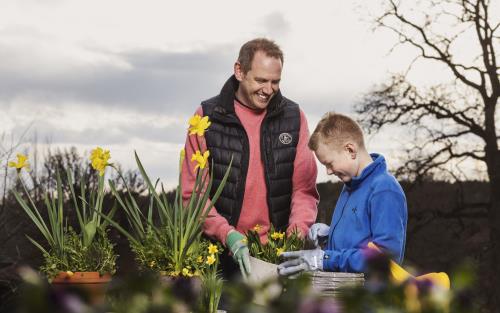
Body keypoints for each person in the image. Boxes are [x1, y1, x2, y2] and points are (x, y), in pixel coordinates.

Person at [181, 38, 319, 278]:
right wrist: (227, 234)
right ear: (239, 71)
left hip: (275, 260)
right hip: (218, 257)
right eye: (261, 80)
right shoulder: (206, 117)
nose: (268, 90)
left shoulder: (294, 118)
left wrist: (295, 238)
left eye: (275, 82)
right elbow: (192, 195)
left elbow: (304, 190)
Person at [278, 112, 407, 275]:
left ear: (350, 150)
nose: (329, 172)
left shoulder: (385, 189)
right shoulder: (349, 185)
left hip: (369, 297)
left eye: (329, 164)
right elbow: (360, 239)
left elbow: (385, 259)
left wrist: (324, 259)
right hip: (344, 293)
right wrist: (331, 234)